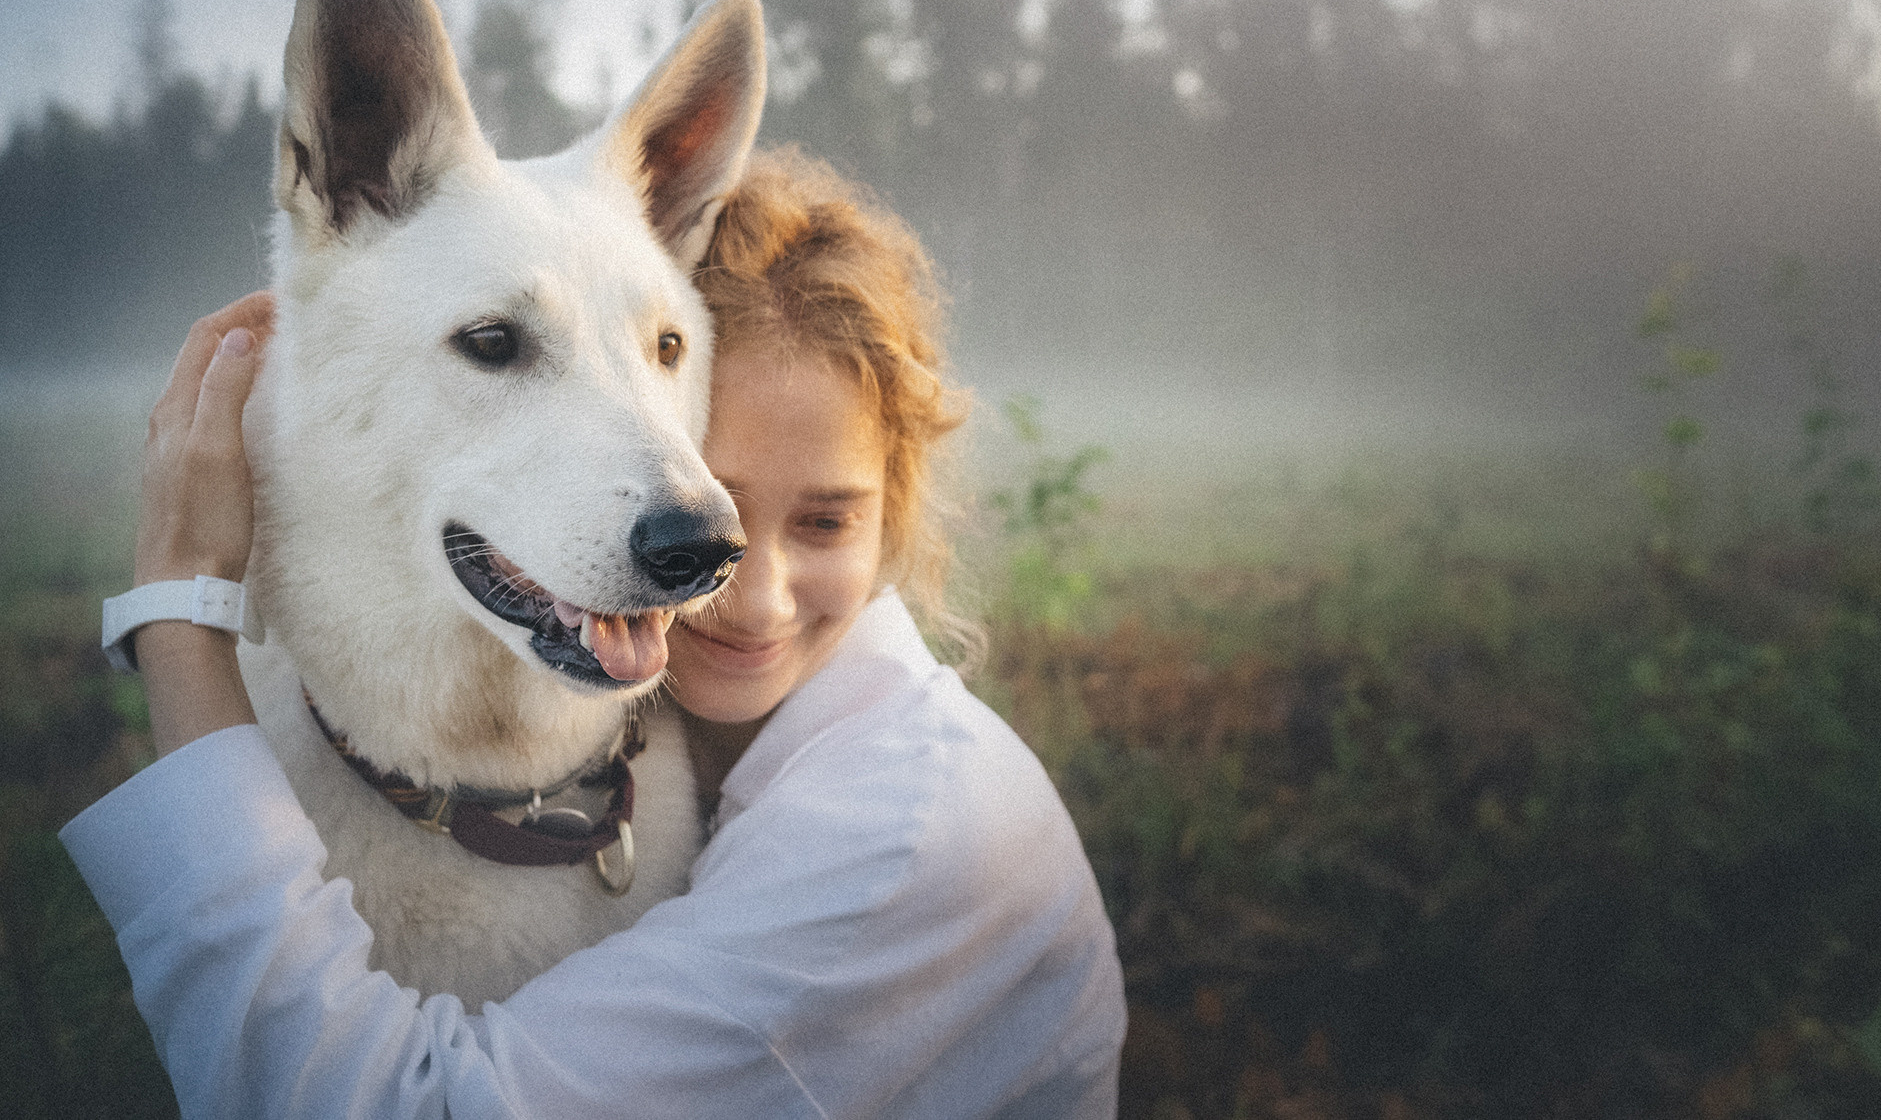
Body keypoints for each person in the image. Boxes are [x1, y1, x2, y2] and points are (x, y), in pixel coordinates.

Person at [60, 148, 1127, 1118]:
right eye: (706, 519)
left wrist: (181, 610)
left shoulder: (905, 838)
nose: (741, 596)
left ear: (897, 505)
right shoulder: (678, 715)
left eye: (826, 518)